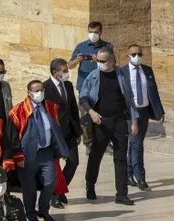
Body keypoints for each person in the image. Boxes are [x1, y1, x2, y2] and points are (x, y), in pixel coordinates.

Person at [79, 46, 138, 205]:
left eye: (103, 61)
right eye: (98, 60)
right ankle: (90, 186)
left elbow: (129, 99)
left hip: (119, 121)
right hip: (100, 122)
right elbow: (83, 97)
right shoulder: (93, 76)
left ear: (111, 60)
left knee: (120, 157)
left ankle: (121, 194)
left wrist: (133, 120)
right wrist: (91, 112)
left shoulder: (121, 75)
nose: (99, 63)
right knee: (95, 155)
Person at [8, 80, 69, 221]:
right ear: (29, 93)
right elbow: (12, 136)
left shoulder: (49, 107)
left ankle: (43, 209)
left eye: (41, 90)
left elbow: (55, 129)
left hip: (46, 152)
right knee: (29, 188)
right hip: (27, 155)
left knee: (50, 182)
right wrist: (18, 155)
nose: (39, 93)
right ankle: (31, 214)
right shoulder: (18, 111)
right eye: (36, 90)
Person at [120, 44, 165, 191]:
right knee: (137, 145)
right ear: (128, 56)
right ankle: (140, 179)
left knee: (134, 145)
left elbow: (153, 92)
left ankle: (127, 174)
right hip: (130, 113)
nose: (136, 56)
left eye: (139, 54)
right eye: (133, 54)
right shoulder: (122, 72)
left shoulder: (147, 70)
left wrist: (159, 112)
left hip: (144, 112)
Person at [69, 21, 113, 154]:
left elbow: (112, 63)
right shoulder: (81, 46)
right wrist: (77, 60)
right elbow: (69, 65)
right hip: (85, 87)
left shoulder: (107, 46)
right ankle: (89, 143)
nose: (92, 35)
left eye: (95, 32)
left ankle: (105, 143)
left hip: (103, 85)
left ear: (101, 33)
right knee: (86, 117)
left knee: (104, 115)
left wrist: (98, 60)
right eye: (90, 32)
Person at [44, 58, 81, 208]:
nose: (67, 73)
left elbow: (73, 108)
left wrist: (78, 131)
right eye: (64, 71)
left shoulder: (68, 85)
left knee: (73, 162)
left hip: (69, 132)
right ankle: (54, 195)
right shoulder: (45, 88)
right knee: (55, 167)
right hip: (54, 134)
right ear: (55, 72)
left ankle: (59, 191)